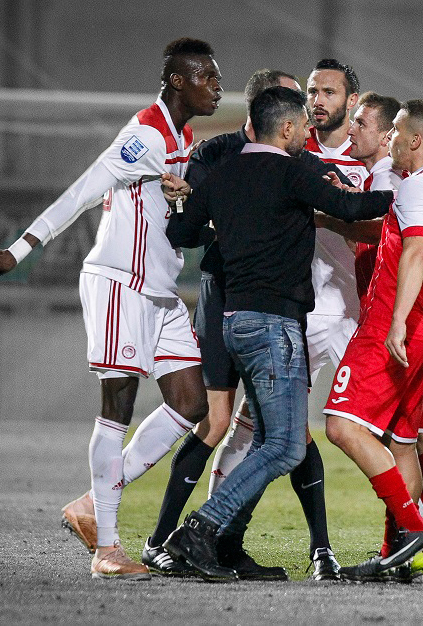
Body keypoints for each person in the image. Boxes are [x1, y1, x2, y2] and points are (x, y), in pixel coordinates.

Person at [0, 38, 222, 580]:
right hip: (118, 283)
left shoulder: (182, 135)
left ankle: (90, 502)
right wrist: (19, 249)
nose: (217, 88)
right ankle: (107, 548)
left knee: (191, 404)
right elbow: (83, 191)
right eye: (208, 77)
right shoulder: (144, 134)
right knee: (117, 407)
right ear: (178, 81)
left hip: (159, 289)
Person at [162, 86, 393, 579]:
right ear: (286, 128)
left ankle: (224, 544)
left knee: (268, 437)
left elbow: (179, 234)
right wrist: (411, 194)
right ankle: (199, 530)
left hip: (234, 323)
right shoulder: (291, 174)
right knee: (287, 447)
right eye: (303, 126)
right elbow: (352, 209)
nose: (308, 133)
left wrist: (204, 214)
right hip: (275, 326)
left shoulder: (223, 174)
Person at [323, 100, 423, 581]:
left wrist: (396, 321)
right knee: (402, 444)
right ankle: (399, 551)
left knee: (341, 426)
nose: (390, 139)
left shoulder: (417, 185)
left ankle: (414, 529)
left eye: (395, 130)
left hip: (389, 328)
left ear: (414, 139)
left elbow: (415, 253)